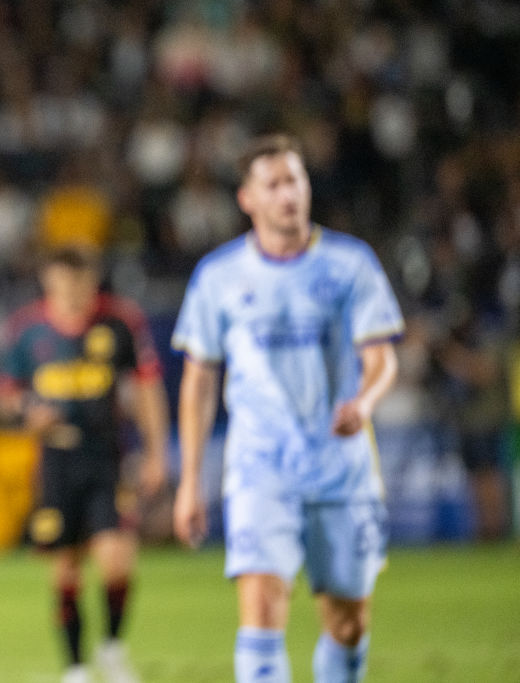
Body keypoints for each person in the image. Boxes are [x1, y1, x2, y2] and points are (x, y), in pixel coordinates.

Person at [172, 133, 403, 683]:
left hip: (341, 466)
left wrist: (365, 402)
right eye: (272, 184)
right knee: (262, 611)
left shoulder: (351, 263)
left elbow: (382, 358)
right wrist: (190, 483)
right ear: (247, 199)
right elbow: (199, 382)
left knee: (347, 624)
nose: (287, 194)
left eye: (294, 180)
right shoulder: (218, 276)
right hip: (260, 468)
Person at [0, 246, 169, 683]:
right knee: (66, 567)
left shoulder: (120, 322)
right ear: (48, 282)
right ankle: (74, 668)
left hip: (107, 459)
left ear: (94, 281)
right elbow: (5, 393)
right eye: (64, 282)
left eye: (81, 282)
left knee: (116, 561)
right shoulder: (27, 330)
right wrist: (27, 411)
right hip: (55, 462)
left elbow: (147, 389)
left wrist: (155, 454)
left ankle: (110, 646)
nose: (73, 292)